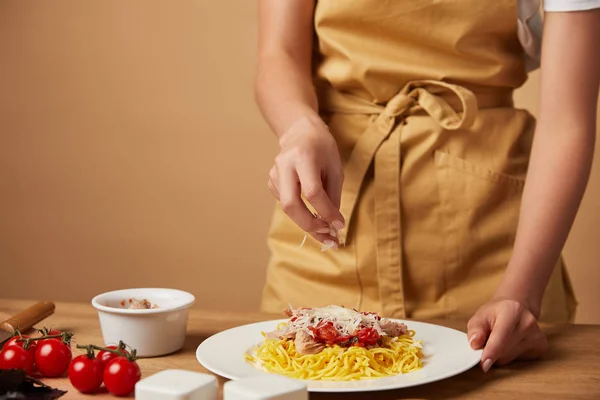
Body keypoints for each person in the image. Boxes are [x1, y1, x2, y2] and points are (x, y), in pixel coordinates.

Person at [255, 0, 600, 373]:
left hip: (499, 251)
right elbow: (279, 53)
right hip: (330, 230)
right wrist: (299, 127)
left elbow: (567, 123)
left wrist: (521, 293)